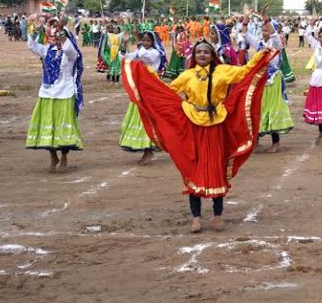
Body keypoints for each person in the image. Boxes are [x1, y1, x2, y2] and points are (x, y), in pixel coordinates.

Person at [121, 40, 274, 233]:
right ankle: (196, 218)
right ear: (194, 56)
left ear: (212, 55)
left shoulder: (223, 71)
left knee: (216, 167)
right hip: (192, 125)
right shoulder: (187, 75)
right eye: (198, 52)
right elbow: (167, 91)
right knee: (193, 168)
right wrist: (147, 76)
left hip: (216, 125)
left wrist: (261, 56)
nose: (202, 55)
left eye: (206, 52)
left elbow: (245, 71)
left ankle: (218, 215)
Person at [26, 25, 85, 172]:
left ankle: (64, 157)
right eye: (56, 39)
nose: (57, 42)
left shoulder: (71, 54)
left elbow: (68, 48)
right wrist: (35, 30)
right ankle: (53, 157)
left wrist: (62, 29)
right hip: (47, 94)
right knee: (47, 127)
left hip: (65, 94)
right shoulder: (48, 50)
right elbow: (31, 45)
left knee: (63, 129)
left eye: (60, 39)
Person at [119, 30, 167, 164]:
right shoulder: (141, 50)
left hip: (151, 88)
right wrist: (124, 46)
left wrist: (137, 39)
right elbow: (125, 58)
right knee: (140, 116)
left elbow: (144, 56)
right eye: (144, 40)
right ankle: (148, 148)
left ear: (153, 42)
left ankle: (148, 149)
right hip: (140, 87)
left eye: (148, 40)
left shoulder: (155, 53)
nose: (145, 43)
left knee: (147, 117)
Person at [257, 23, 293, 153]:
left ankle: (276, 143)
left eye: (266, 30)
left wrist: (266, 21)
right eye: (263, 30)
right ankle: (256, 142)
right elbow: (246, 35)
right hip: (261, 79)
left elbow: (274, 34)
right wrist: (245, 22)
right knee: (259, 108)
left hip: (273, 80)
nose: (264, 32)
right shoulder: (260, 43)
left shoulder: (276, 44)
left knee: (272, 108)